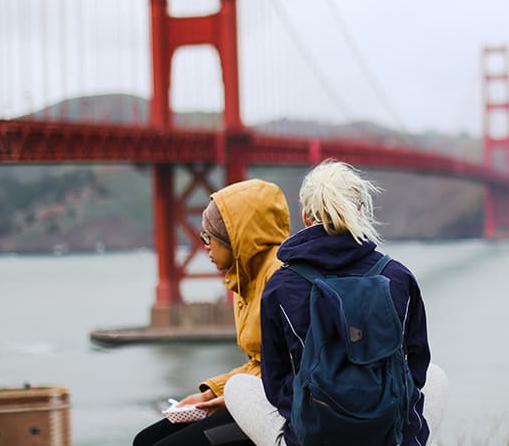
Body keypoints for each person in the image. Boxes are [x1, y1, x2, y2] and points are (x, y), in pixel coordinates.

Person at [224, 160, 447, 446]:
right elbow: (417, 365)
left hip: (314, 437)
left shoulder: (281, 285)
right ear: (360, 211)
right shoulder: (398, 276)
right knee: (435, 375)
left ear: (305, 216)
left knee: (237, 386)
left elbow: (275, 381)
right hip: (389, 437)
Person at [134, 178, 291, 446]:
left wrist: (228, 399)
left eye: (210, 237)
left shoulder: (280, 280)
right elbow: (259, 362)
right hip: (260, 394)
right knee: (145, 440)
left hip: (280, 409)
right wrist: (210, 394)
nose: (204, 245)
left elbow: (289, 366)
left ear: (237, 237)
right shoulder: (244, 278)